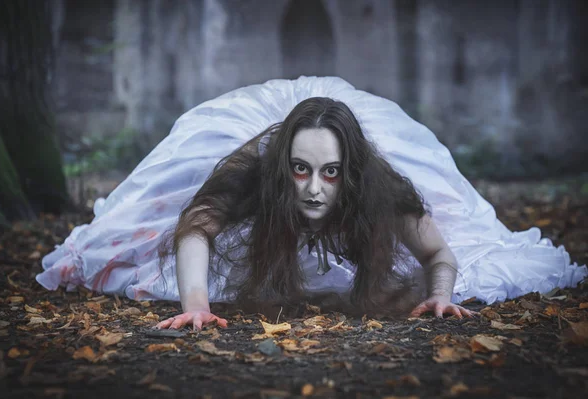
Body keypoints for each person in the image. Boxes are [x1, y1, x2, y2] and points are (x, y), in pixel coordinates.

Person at [37, 77, 587, 331]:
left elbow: (439, 254)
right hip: (253, 182)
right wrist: (198, 304)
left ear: (349, 173)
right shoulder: (256, 170)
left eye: (330, 173)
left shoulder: (378, 185)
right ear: (284, 168)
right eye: (300, 170)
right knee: (139, 244)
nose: (315, 188)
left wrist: (441, 296)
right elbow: (197, 228)